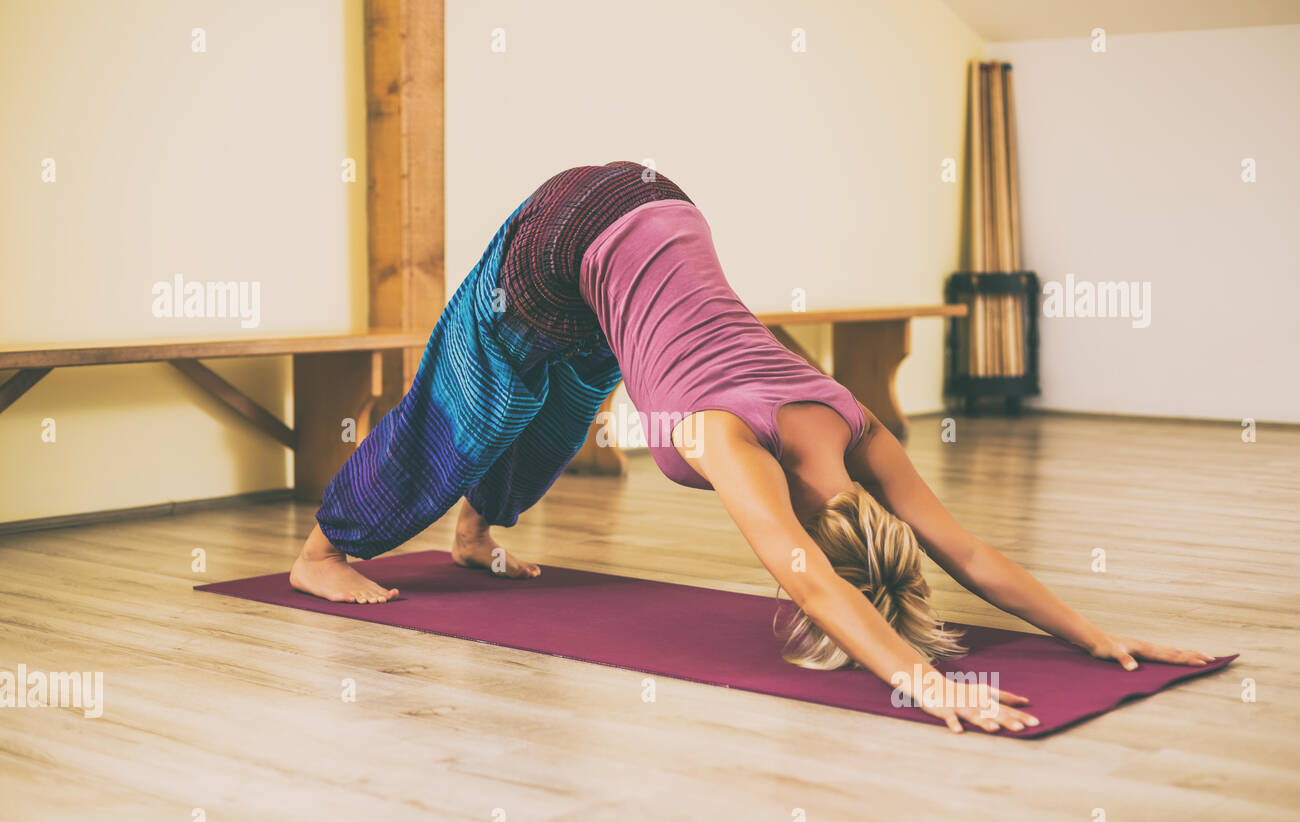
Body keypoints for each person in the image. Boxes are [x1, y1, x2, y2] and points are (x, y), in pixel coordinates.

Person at [291, 161, 1214, 733]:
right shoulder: (728, 437)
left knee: (565, 407)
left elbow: (964, 551)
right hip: (568, 226)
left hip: (655, 214)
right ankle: (322, 549)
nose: (785, 571)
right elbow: (813, 574)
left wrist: (1097, 637)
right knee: (479, 402)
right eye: (801, 554)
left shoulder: (855, 428)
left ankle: (474, 535)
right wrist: (927, 687)